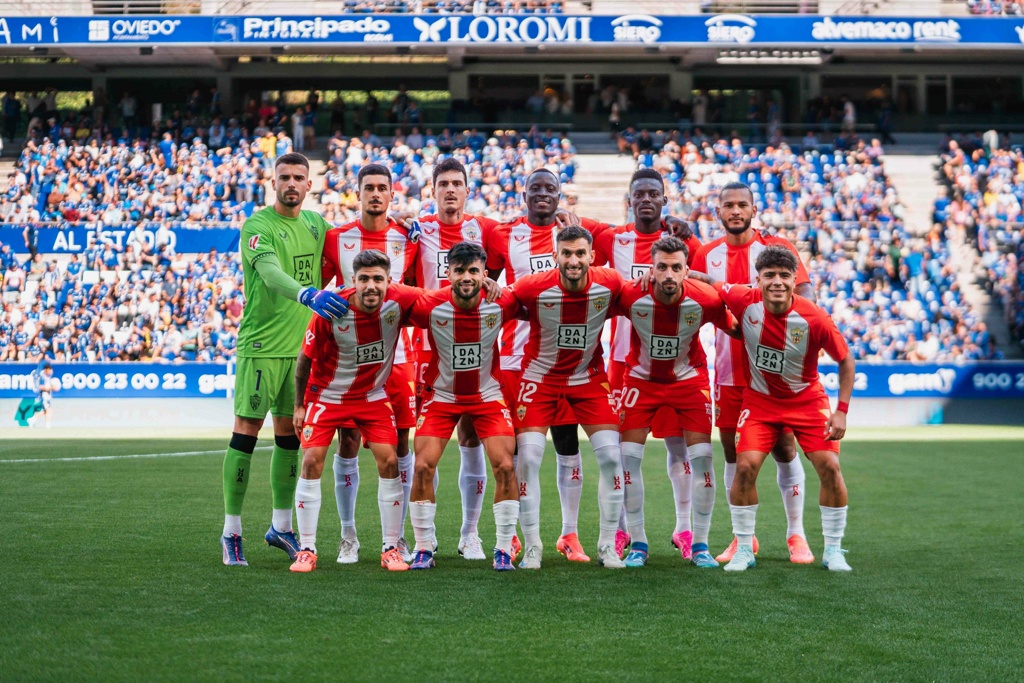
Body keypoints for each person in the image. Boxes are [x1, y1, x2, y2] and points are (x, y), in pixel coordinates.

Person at [220, 152, 349, 567]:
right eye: (284, 177)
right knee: (245, 433)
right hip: (261, 347)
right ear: (272, 182)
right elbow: (272, 274)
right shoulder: (258, 226)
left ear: (309, 185)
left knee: (290, 437)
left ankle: (281, 527)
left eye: (299, 177)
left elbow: (351, 244)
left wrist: (401, 227)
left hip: (302, 352)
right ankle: (231, 531)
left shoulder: (316, 225)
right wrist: (309, 293)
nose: (291, 183)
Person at [691, 181, 817, 566]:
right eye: (727, 205)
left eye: (741, 204)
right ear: (717, 213)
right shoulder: (706, 255)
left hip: (776, 374)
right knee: (734, 455)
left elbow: (807, 300)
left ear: (753, 209)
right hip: (729, 371)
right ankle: (742, 537)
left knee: (784, 448)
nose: (734, 211)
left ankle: (796, 534)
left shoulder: (776, 250)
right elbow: (695, 301)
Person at [710, 246, 854, 572]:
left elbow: (845, 359)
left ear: (794, 280)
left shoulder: (815, 318)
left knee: (830, 467)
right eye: (770, 275)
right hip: (760, 402)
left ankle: (833, 549)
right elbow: (710, 283)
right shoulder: (744, 300)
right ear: (757, 280)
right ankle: (745, 547)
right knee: (744, 466)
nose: (777, 282)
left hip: (807, 401)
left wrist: (842, 410)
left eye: (784, 276)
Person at [590, 168, 703, 560]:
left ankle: (685, 529)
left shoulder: (681, 242)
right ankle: (623, 531)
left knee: (679, 448)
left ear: (664, 199)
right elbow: (573, 230)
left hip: (674, 362)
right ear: (630, 200)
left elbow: (703, 282)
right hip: (625, 361)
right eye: (639, 194)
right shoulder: (612, 238)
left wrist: (688, 232)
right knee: (623, 452)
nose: (646, 200)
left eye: (653, 193)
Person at [504, 224, 628, 570]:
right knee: (527, 460)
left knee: (611, 460)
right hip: (540, 379)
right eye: (567, 253)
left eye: (580, 254)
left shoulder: (610, 283)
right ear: (555, 255)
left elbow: (642, 297)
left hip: (588, 379)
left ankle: (607, 546)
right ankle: (533, 545)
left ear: (592, 255)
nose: (573, 261)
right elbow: (501, 304)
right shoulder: (532, 286)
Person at [290, 249, 422, 574]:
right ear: (353, 281)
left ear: (389, 281)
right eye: (364, 279)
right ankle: (307, 549)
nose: (371, 286)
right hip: (328, 396)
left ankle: (390, 547)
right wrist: (298, 405)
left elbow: (437, 301)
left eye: (378, 279)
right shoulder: (332, 309)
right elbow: (304, 360)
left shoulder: (399, 303)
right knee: (310, 461)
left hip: (372, 397)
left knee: (390, 460)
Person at [485, 168, 591, 564]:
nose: (543, 194)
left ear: (560, 194)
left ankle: (569, 533)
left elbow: (633, 230)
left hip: (562, 359)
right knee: (515, 452)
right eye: (536, 188)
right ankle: (513, 535)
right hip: (514, 359)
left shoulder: (573, 232)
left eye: (550, 188)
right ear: (524, 193)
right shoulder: (503, 234)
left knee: (567, 444)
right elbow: (489, 285)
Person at [614, 236, 735, 568]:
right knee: (628, 461)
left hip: (688, 380)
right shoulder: (630, 294)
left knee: (703, 460)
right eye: (662, 267)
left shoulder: (705, 299)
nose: (669, 274)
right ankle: (638, 543)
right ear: (651, 269)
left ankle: (700, 545)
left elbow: (738, 328)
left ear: (687, 270)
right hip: (641, 379)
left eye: (676, 268)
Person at [321, 163, 419, 564]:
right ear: (357, 194)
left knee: (399, 445)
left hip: (396, 359)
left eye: (383, 188)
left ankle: (398, 538)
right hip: (349, 362)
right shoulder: (336, 239)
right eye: (369, 188)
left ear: (392, 195)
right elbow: (321, 292)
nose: (376, 194)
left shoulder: (409, 238)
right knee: (347, 442)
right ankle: (348, 536)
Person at [405, 242, 521, 571]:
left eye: (473, 271)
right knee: (423, 467)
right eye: (460, 271)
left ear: (485, 274)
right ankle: (424, 547)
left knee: (505, 467)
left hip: (486, 395)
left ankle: (501, 548)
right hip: (441, 396)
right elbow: (395, 296)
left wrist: (506, 287)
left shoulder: (501, 302)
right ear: (448, 274)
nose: (467, 277)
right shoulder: (430, 305)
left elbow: (535, 294)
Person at [411, 157, 503, 560]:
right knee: (418, 450)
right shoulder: (416, 230)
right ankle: (414, 538)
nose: (450, 189)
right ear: (432, 191)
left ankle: (470, 534)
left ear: (468, 190)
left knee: (471, 438)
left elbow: (518, 256)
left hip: (476, 347)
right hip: (428, 351)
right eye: (443, 183)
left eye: (457, 183)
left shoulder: (485, 229)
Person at [31, 361, 58, 429]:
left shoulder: (48, 376)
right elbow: (40, 387)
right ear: (46, 369)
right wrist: (52, 388)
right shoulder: (42, 377)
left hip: (47, 395)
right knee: (48, 409)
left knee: (47, 410)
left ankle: (33, 419)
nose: (51, 371)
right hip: (43, 395)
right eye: (50, 369)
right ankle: (47, 424)